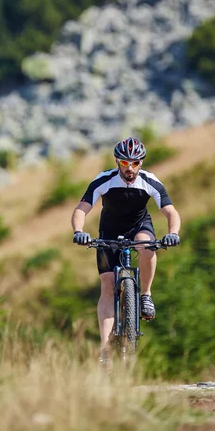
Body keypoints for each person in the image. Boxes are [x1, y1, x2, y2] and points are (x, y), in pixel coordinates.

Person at [71, 136, 181, 367]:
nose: (129, 168)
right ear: (116, 162)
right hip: (108, 233)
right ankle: (105, 350)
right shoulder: (104, 180)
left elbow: (171, 212)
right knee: (108, 286)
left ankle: (146, 295)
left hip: (139, 226)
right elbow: (81, 209)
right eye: (124, 163)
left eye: (135, 163)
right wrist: (79, 231)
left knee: (147, 246)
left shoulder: (149, 181)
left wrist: (173, 233)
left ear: (141, 163)